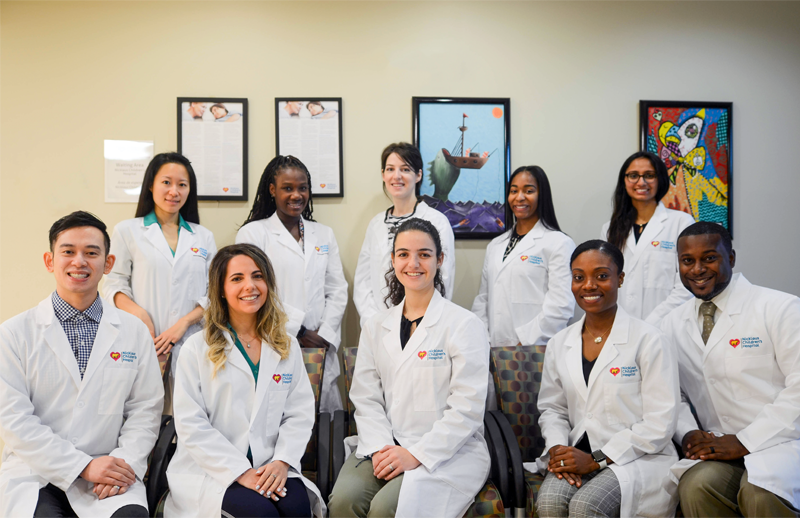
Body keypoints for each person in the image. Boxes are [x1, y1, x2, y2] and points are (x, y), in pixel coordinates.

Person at [0, 211, 163, 518]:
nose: (79, 261)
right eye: (68, 252)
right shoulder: (14, 333)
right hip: (36, 472)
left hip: (110, 469)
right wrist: (82, 466)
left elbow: (145, 409)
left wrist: (124, 464)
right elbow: (14, 421)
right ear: (50, 261)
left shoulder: (133, 331)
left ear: (108, 263)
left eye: (91, 253)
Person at [328, 218, 489, 518]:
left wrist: (415, 454)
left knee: (386, 509)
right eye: (403, 254)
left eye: (424, 254)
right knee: (343, 502)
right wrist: (381, 447)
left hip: (445, 451)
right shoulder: (376, 326)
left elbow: (466, 409)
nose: (413, 263)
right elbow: (365, 397)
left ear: (440, 260)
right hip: (384, 442)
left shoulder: (464, 325)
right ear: (392, 260)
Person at [165, 244, 324, 518]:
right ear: (221, 290)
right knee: (261, 513)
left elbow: (299, 413)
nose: (250, 286)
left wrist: (282, 461)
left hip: (271, 464)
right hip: (214, 471)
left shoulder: (285, 345)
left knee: (297, 508)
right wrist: (240, 472)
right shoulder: (196, 348)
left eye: (257, 276)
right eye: (237, 279)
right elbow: (191, 424)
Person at [661, 222, 800, 517]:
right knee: (696, 486)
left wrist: (744, 441)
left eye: (709, 258)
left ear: (731, 258)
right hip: (717, 445)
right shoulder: (672, 323)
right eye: (687, 261)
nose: (697, 269)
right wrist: (688, 433)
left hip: (782, 443)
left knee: (760, 493)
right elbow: (672, 394)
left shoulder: (780, 308)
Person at [535, 240, 679, 518]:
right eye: (579, 277)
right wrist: (557, 449)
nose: (588, 285)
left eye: (601, 276)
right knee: (550, 503)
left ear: (620, 279)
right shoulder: (559, 343)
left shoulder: (649, 339)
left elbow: (660, 423)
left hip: (636, 457)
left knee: (586, 506)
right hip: (577, 453)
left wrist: (596, 460)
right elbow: (553, 408)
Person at [102, 152, 217, 410]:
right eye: (166, 182)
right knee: (142, 415)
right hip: (144, 340)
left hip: (190, 340)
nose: (174, 191)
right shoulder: (128, 230)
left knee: (188, 417)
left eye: (182, 184)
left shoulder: (203, 236)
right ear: (151, 185)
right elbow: (112, 283)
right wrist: (141, 315)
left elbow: (215, 293)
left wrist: (183, 324)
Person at [236, 155, 347, 414]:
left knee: (322, 426)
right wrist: (298, 331)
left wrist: (324, 335)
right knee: (278, 419)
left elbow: (337, 288)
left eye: (302, 187)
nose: (296, 195)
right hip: (274, 341)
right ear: (272, 190)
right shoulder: (253, 234)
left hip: (320, 346)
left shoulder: (323, 234)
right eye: (288, 188)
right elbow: (251, 292)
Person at [472, 165, 575, 349]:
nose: (519, 197)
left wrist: (525, 342)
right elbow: (483, 299)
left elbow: (561, 305)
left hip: (536, 348)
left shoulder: (559, 243)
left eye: (528, 191)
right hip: (493, 349)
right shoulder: (496, 245)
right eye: (514, 191)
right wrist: (482, 339)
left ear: (541, 195)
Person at [353, 142, 456, 327]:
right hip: (379, 324)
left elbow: (444, 279)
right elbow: (363, 282)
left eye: (405, 169)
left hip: (423, 324)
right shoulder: (376, 224)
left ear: (418, 175)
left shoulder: (437, 222)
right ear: (383, 175)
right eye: (390, 169)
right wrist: (373, 321)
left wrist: (421, 323)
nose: (397, 176)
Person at [601, 151, 695, 326]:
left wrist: (652, 322)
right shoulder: (609, 229)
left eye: (649, 176)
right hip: (621, 325)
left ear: (660, 180)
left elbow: (687, 283)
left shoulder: (681, 222)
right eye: (634, 176)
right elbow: (606, 280)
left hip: (667, 326)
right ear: (624, 180)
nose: (641, 182)